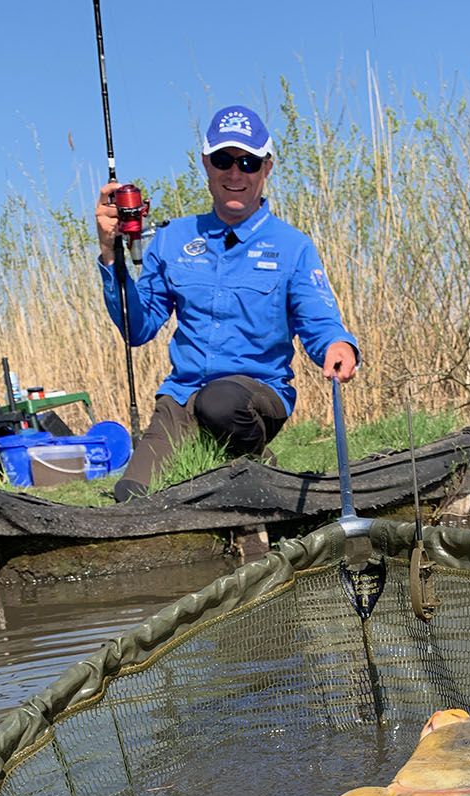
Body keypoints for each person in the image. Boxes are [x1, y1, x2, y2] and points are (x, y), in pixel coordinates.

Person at [96, 104, 359, 502]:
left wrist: (338, 345)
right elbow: (139, 328)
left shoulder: (293, 246)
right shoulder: (172, 239)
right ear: (206, 163)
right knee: (131, 495)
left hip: (253, 395)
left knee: (219, 403)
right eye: (223, 160)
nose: (235, 172)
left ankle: (257, 463)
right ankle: (249, 465)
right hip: (183, 395)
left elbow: (319, 319)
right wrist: (110, 253)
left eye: (248, 162)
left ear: (266, 168)